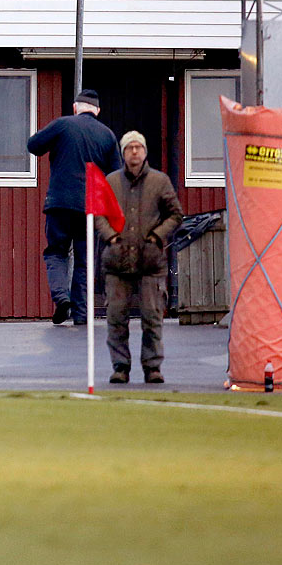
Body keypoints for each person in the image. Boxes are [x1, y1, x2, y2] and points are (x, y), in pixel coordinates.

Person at [27, 88, 122, 325]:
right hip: (89, 207)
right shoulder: (108, 135)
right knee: (84, 259)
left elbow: (33, 145)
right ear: (98, 111)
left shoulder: (62, 125)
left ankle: (61, 298)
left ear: (75, 108)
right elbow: (117, 176)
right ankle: (81, 315)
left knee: (56, 252)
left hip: (59, 203)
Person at [96, 130, 183, 385]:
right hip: (116, 261)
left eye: (138, 147)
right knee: (116, 318)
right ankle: (120, 367)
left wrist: (157, 237)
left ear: (145, 152)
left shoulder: (160, 181)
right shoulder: (110, 182)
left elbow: (175, 215)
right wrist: (111, 237)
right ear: (123, 153)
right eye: (129, 148)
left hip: (150, 262)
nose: (134, 151)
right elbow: (98, 214)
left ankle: (152, 367)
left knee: (152, 317)